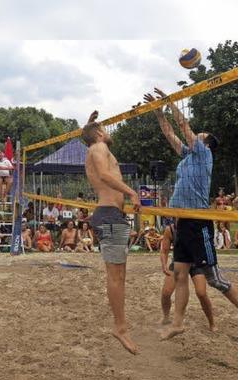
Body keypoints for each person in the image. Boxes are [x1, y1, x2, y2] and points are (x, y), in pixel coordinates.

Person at [145, 88, 232, 340]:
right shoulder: (188, 156)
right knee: (180, 274)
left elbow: (182, 125)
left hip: (198, 221)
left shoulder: (204, 153)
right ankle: (178, 323)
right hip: (181, 221)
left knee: (215, 281)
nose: (196, 135)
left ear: (205, 143)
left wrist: (171, 102)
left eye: (200, 135)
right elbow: (170, 133)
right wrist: (159, 112)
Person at [82, 110, 141, 354]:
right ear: (98, 134)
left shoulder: (97, 148)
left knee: (120, 275)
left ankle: (121, 324)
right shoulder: (98, 149)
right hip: (108, 215)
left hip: (112, 215)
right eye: (105, 129)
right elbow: (105, 175)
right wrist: (131, 192)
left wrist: (89, 125)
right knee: (116, 276)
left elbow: (98, 159)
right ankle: (120, 327)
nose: (109, 132)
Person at [160, 223, 215, 331]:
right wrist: (164, 265)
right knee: (166, 293)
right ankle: (166, 317)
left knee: (201, 293)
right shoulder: (170, 229)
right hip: (178, 262)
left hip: (196, 263)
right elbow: (164, 250)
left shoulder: (197, 225)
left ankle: (212, 322)